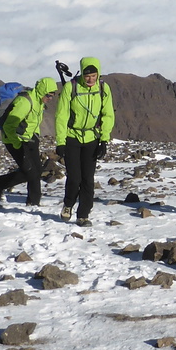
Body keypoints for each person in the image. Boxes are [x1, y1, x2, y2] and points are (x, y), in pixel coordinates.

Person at [54, 57, 114, 227]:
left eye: (94, 75)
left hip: (92, 138)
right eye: (88, 76)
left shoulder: (103, 88)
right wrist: (61, 141)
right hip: (72, 137)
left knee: (88, 178)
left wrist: (104, 140)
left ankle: (83, 214)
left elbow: (108, 114)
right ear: (82, 74)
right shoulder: (70, 87)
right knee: (74, 177)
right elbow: (61, 115)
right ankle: (68, 204)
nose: (90, 79)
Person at [0, 77, 58, 206]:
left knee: (36, 171)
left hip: (30, 139)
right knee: (30, 172)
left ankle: (33, 201)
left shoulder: (39, 102)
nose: (50, 98)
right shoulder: (25, 102)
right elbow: (9, 125)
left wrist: (35, 137)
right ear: (42, 91)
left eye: (52, 96)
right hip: (15, 140)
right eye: (48, 95)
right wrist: (16, 143)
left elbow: (33, 122)